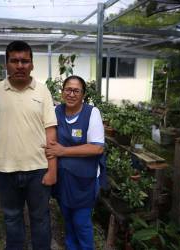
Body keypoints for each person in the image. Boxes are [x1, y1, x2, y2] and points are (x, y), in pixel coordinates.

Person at [0, 40, 57, 250]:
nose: (20, 65)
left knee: (40, 218)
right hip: (3, 170)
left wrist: (52, 169)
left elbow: (51, 131)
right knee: (12, 217)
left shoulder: (43, 91)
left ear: (32, 64)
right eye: (14, 61)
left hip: (38, 170)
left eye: (25, 61)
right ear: (6, 64)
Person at [44, 75, 105, 250]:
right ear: (62, 92)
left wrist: (63, 151)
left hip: (84, 181)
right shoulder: (56, 112)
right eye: (68, 90)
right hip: (63, 179)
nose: (71, 94)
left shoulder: (91, 113)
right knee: (68, 220)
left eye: (76, 91)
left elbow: (97, 148)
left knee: (81, 222)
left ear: (83, 94)